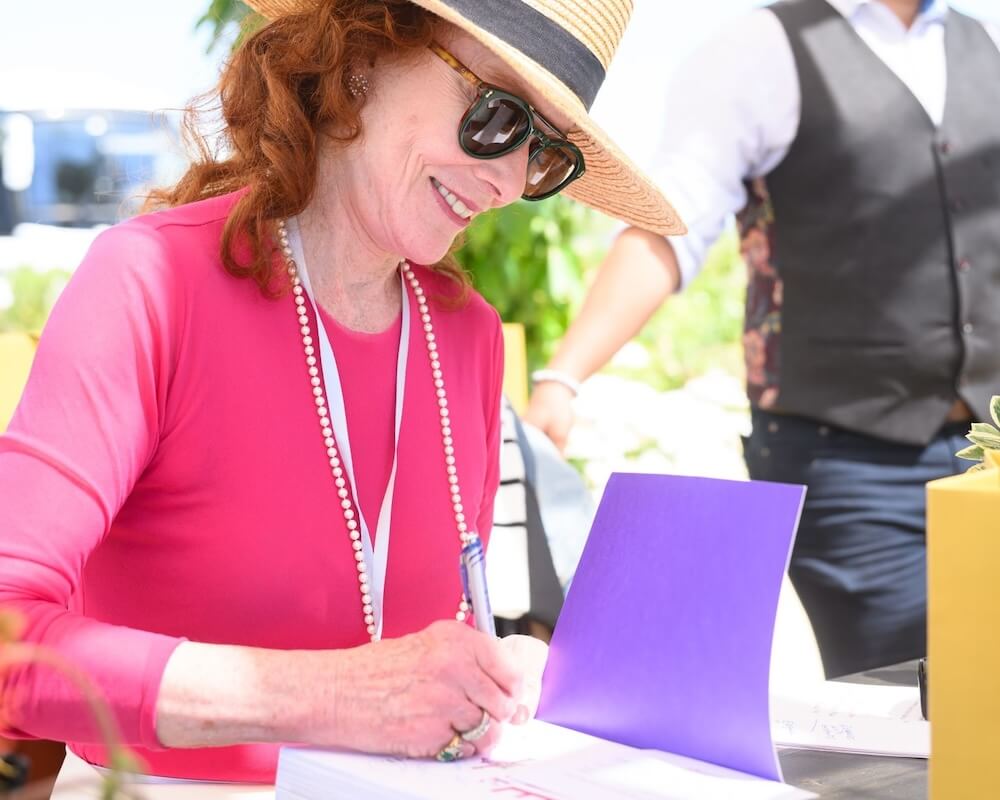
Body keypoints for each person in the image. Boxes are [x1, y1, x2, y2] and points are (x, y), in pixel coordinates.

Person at [0, 0, 685, 783]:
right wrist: (333, 696)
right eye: (497, 113)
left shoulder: (468, 338)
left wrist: (493, 672)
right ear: (363, 54)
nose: (505, 179)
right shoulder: (149, 286)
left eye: (544, 154)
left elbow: (419, 643)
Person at [527, 0, 1000, 679]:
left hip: (988, 451)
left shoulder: (984, 42)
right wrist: (563, 376)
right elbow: (671, 225)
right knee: (911, 704)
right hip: (846, 459)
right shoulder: (762, 47)